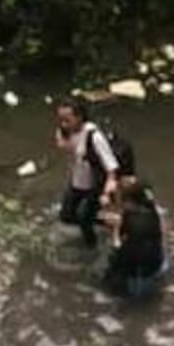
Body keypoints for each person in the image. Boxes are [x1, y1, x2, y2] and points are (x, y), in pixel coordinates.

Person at [55, 96, 120, 247]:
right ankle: (106, 221)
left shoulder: (94, 137)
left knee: (84, 221)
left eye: (67, 120)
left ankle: (92, 247)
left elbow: (111, 166)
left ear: (79, 117)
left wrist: (107, 189)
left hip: (94, 185)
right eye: (61, 120)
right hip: (77, 181)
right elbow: (67, 148)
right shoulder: (65, 132)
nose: (64, 124)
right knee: (66, 216)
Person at [102, 174, 168, 298]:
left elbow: (117, 242)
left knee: (109, 258)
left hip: (130, 265)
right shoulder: (154, 213)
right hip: (153, 263)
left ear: (129, 201)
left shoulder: (128, 216)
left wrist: (115, 229)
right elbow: (161, 239)